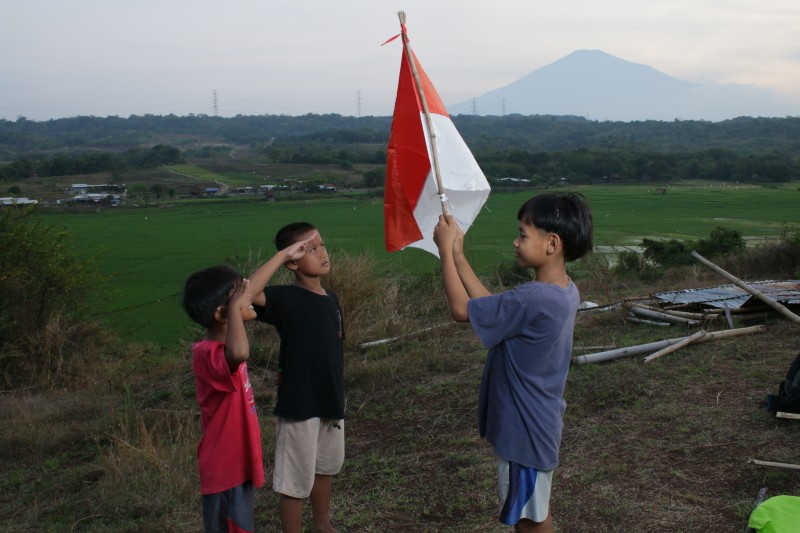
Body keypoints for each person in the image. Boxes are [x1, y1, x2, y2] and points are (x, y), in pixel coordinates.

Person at [433, 192, 593, 533]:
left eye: (523, 234)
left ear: (552, 243)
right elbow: (494, 307)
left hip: (525, 431)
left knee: (529, 521)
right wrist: (460, 259)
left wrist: (444, 251)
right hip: (539, 421)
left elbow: (462, 310)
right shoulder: (564, 291)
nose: (515, 242)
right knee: (534, 512)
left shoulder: (533, 297)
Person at [183, 235, 315, 533]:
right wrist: (234, 310)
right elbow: (240, 352)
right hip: (224, 468)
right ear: (222, 314)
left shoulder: (221, 345)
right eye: (241, 296)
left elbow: (246, 304)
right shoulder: (208, 354)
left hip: (238, 463)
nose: (251, 296)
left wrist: (282, 256)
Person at [249, 222, 345, 533]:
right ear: (292, 261)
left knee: (324, 467)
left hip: (330, 397)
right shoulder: (284, 299)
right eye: (310, 249)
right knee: (294, 479)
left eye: (322, 245)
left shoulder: (331, 299)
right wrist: (280, 256)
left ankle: (322, 524)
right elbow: (247, 294)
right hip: (299, 401)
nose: (322, 253)